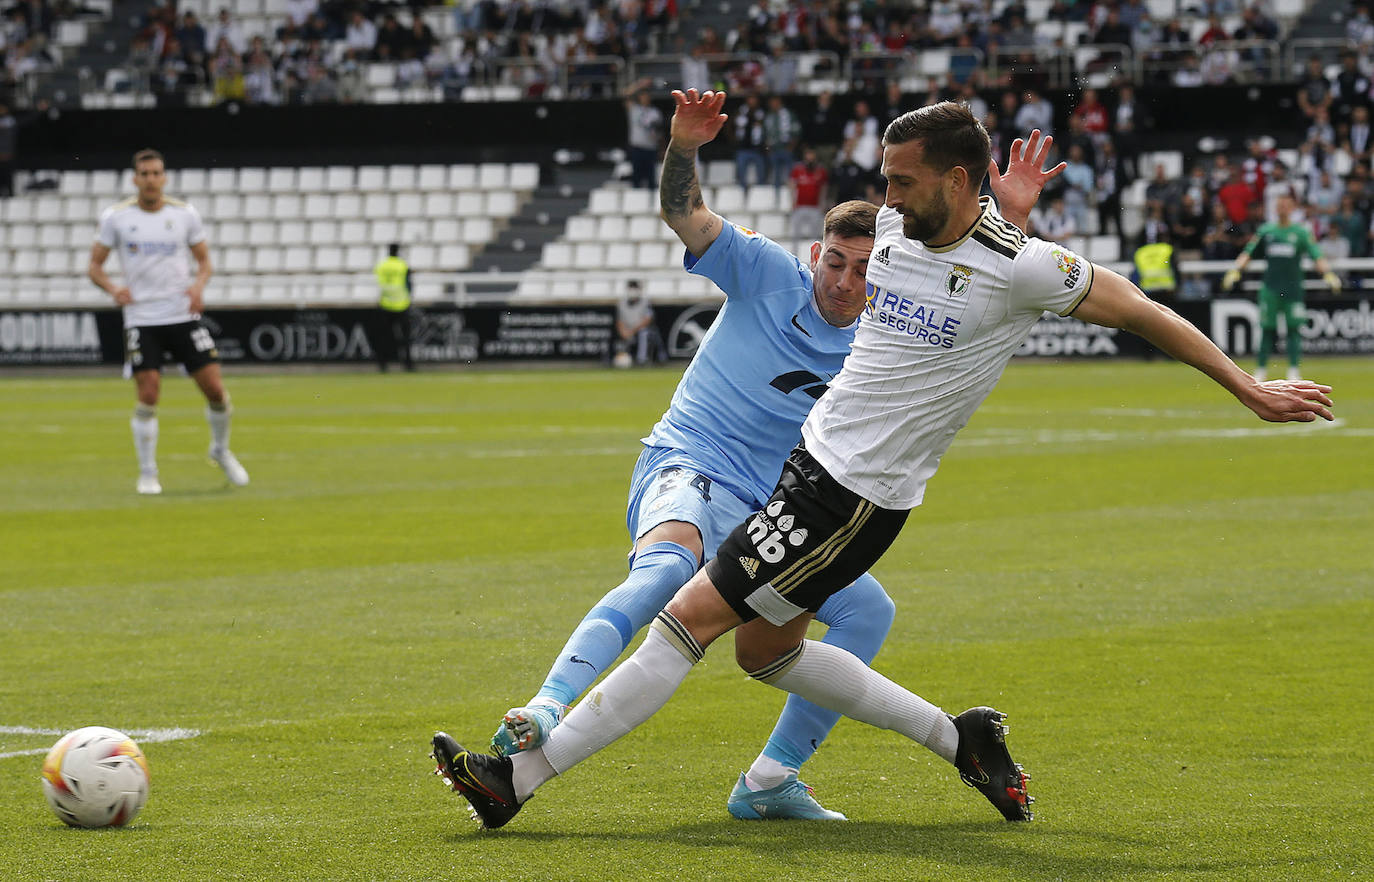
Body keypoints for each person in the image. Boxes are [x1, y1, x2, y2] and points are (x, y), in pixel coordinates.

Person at [432, 99, 1336, 831]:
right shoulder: (903, 233)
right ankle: (961, 739)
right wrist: (1002, 205)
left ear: (953, 177)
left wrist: (1245, 383)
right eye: (885, 181)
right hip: (809, 473)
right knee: (765, 651)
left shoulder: (1026, 268)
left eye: (904, 181)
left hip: (852, 501)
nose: (888, 200)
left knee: (689, 615)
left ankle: (519, 776)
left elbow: (1134, 306)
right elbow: (963, 259)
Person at [88, 148, 250, 496]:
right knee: (148, 393)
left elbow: (204, 261)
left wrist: (198, 285)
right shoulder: (116, 218)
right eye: (144, 174)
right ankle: (148, 472)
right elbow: (95, 266)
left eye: (156, 173)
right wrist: (113, 289)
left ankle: (220, 450)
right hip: (142, 318)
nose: (150, 179)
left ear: (165, 177)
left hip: (182, 315)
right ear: (135, 179)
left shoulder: (184, 214)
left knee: (216, 392)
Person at [1222, 192, 1342, 381]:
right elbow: (1249, 253)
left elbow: (1316, 255)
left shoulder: (1301, 232)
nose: (1283, 208)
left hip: (1293, 290)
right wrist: (1236, 270)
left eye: (1286, 205)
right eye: (1279, 205)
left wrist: (1328, 274)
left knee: (1293, 329)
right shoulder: (1267, 231)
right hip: (1270, 289)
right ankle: (1261, 370)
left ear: (1293, 208)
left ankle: (1294, 370)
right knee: (1267, 329)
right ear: (1275, 208)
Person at [373, 242, 414, 372]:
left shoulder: (382, 266)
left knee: (384, 337)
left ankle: (382, 364)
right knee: (405, 338)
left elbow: (378, 283)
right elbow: (409, 285)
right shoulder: (402, 265)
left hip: (385, 304)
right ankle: (408, 364)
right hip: (402, 304)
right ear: (398, 251)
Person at [612, 280, 663, 367]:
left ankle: (642, 360)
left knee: (644, 333)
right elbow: (619, 321)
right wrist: (623, 332)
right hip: (627, 330)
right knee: (615, 335)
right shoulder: (622, 303)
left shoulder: (645, 302)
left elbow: (647, 320)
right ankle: (614, 358)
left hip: (639, 330)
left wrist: (633, 331)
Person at [624, 79, 664, 189]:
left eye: (647, 96)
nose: (645, 98)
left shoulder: (655, 112)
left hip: (650, 148)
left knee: (651, 178)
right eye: (642, 96)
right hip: (637, 148)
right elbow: (625, 95)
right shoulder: (634, 109)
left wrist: (661, 148)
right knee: (636, 178)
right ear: (639, 97)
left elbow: (659, 132)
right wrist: (639, 84)